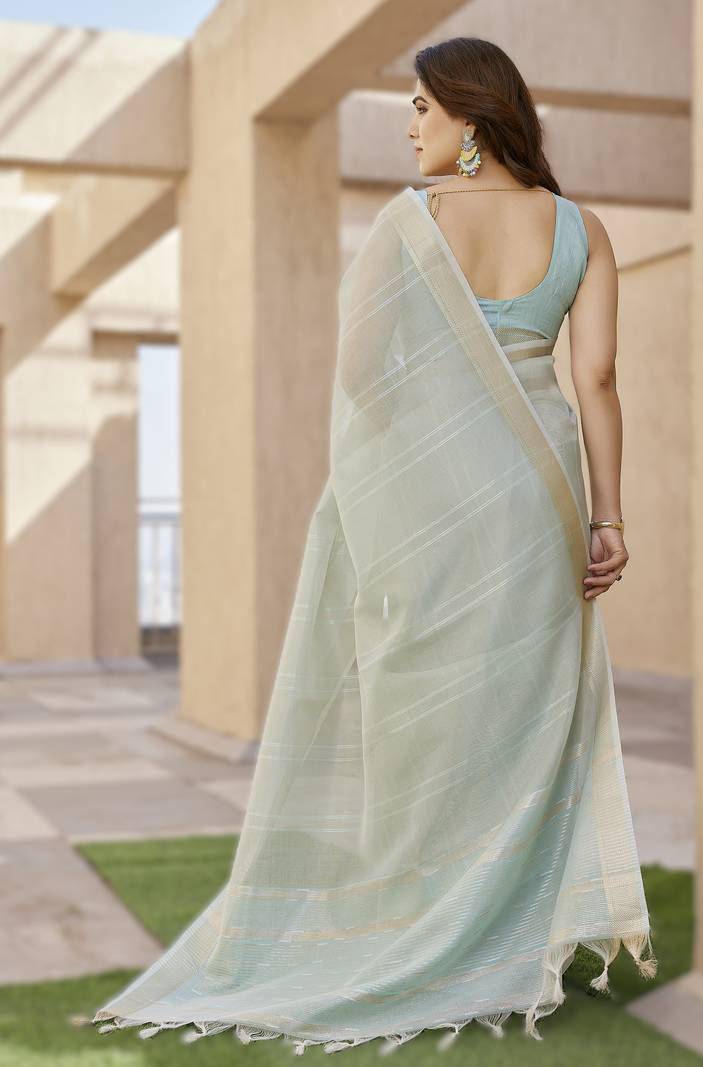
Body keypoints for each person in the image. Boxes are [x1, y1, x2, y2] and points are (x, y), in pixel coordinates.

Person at [89, 36, 657, 1056]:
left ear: (470, 120)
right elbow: (598, 381)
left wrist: (418, 463)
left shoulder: (413, 223)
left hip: (434, 507)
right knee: (523, 715)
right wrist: (608, 519)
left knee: (422, 713)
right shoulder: (581, 228)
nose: (409, 127)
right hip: (541, 506)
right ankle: (500, 936)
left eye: (422, 108)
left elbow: (360, 376)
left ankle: (416, 928)